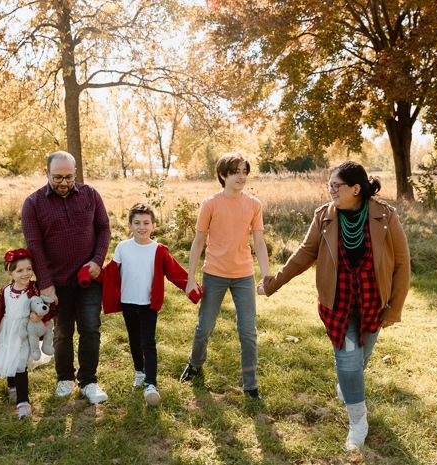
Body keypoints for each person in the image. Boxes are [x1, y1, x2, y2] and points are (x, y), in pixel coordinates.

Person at [259, 160, 410, 450]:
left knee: (359, 359)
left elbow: (402, 264)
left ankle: (348, 382)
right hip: (337, 302)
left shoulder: (386, 216)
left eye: (335, 185)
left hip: (373, 303)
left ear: (356, 188)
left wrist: (395, 308)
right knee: (348, 358)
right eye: (329, 184)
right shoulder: (324, 216)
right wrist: (272, 283)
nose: (330, 190)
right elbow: (304, 254)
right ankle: (358, 422)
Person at [21, 151, 111, 404]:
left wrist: (97, 260)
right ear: (47, 173)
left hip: (88, 278)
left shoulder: (91, 195)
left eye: (69, 177)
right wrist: (46, 284)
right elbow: (34, 246)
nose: (64, 183)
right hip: (56, 283)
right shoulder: (33, 204)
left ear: (75, 174)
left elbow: (104, 229)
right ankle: (64, 379)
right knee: (62, 332)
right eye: (58, 177)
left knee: (90, 328)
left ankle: (89, 381)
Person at [181, 153, 270, 400]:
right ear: (223, 175)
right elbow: (198, 242)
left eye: (244, 172)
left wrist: (266, 276)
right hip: (215, 274)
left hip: (243, 276)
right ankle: (195, 364)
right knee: (204, 327)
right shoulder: (210, 204)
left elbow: (260, 242)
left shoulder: (254, 204)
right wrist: (190, 278)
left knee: (248, 332)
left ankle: (250, 385)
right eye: (236, 172)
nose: (241, 177)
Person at [94, 203, 201, 406]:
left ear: (153, 225)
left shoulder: (158, 250)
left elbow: (175, 272)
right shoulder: (123, 247)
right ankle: (139, 372)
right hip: (128, 302)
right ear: (129, 226)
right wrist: (89, 274)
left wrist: (192, 287)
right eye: (137, 223)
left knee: (148, 342)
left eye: (146, 223)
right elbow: (110, 271)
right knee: (134, 339)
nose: (141, 227)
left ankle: (151, 384)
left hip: (148, 304)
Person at [0, 248, 55, 420]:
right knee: (10, 358)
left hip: (24, 332)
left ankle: (23, 403)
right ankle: (12, 388)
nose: (26, 274)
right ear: (10, 273)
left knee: (20, 364)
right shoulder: (5, 291)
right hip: (8, 330)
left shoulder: (34, 289)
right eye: (20, 270)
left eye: (29, 269)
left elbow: (48, 307)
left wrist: (40, 315)